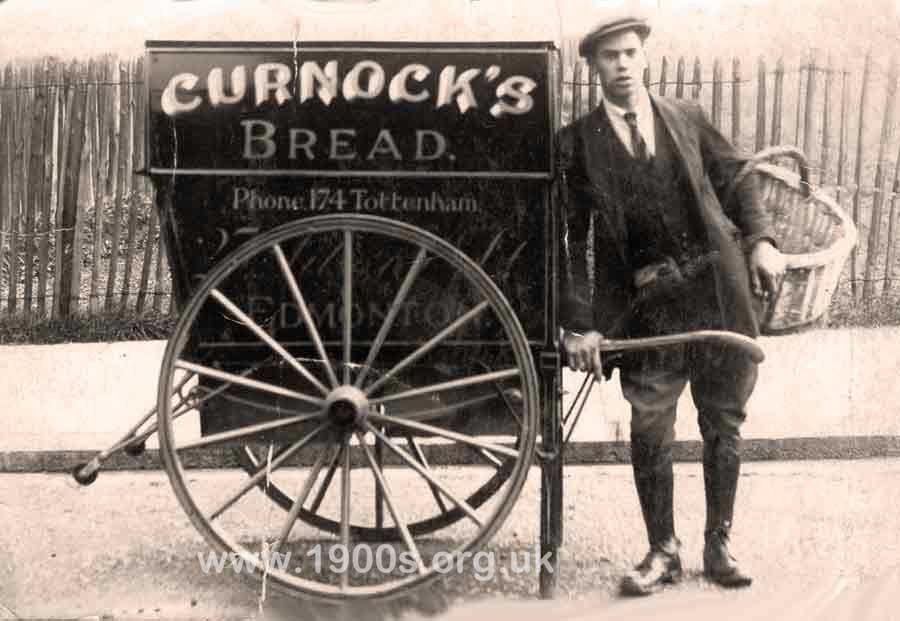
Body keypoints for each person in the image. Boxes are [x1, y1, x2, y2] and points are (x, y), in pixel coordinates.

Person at [556, 10, 786, 596]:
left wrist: (760, 242)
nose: (623, 65)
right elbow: (566, 242)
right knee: (650, 425)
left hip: (716, 294)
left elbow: (737, 180)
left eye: (631, 53)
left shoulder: (686, 118)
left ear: (645, 57)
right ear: (593, 66)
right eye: (611, 56)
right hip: (644, 308)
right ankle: (663, 550)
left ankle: (720, 543)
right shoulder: (577, 144)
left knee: (724, 421)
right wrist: (578, 326)